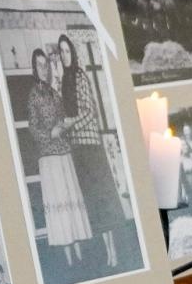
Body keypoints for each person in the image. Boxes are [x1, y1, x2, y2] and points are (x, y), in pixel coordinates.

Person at [57, 35, 127, 271]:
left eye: (68, 51)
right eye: (62, 52)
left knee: (103, 198)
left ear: (73, 54)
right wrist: (63, 127)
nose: (65, 56)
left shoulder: (79, 76)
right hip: (77, 149)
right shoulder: (64, 81)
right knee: (93, 203)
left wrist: (70, 124)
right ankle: (105, 253)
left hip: (91, 146)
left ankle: (114, 250)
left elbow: (90, 111)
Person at [24, 48, 92, 266]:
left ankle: (80, 253)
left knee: (71, 202)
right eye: (40, 65)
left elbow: (62, 118)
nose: (44, 69)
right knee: (59, 205)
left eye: (46, 65)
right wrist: (50, 134)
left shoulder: (54, 94)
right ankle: (69, 260)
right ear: (35, 69)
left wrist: (64, 125)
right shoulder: (33, 95)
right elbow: (33, 128)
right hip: (49, 158)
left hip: (64, 153)